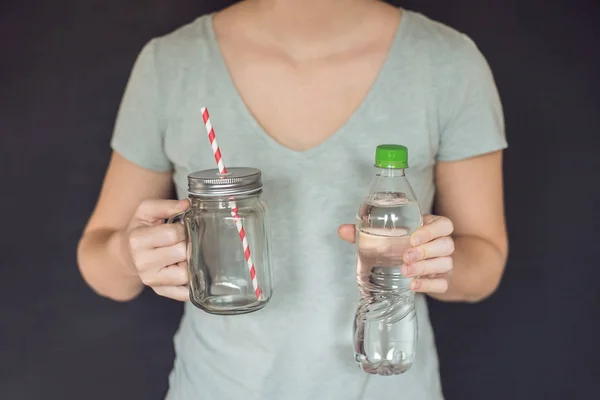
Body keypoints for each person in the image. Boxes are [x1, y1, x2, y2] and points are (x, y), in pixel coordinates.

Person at [77, 0, 508, 398]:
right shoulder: (170, 64)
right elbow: (103, 270)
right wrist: (129, 255)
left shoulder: (447, 62)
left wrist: (433, 262)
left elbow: (484, 266)